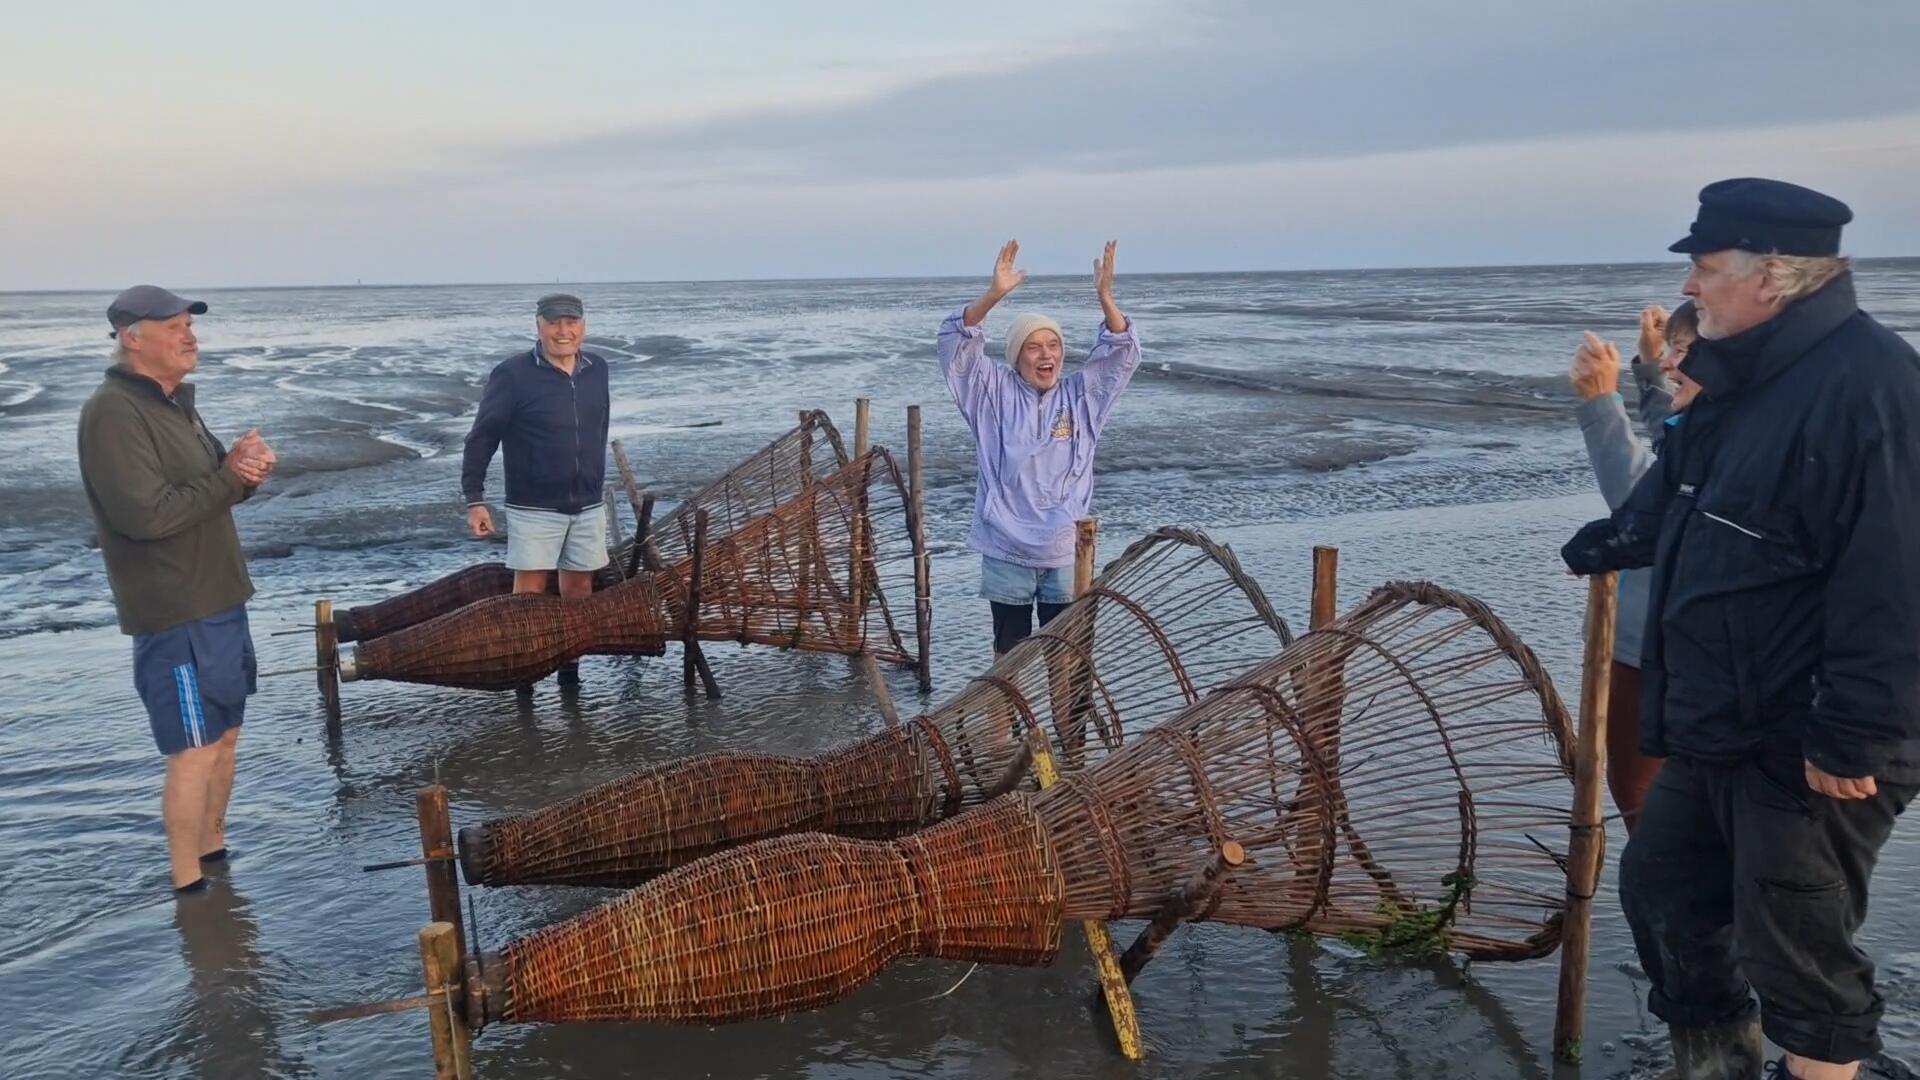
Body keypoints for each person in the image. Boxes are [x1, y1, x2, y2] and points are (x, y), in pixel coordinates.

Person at [1563, 179, 1920, 1080]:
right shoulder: (1739, 376)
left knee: (1796, 940)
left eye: (1705, 267)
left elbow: (1898, 580)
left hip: (1814, 737)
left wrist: (1850, 737)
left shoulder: (1872, 389)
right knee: (1666, 896)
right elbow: (1678, 492)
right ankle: (1715, 1065)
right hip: (1720, 717)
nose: (1689, 286)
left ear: (1772, 277)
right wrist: (1614, 540)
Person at [77, 286, 277, 895]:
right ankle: (188, 887)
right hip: (173, 609)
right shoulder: (112, 412)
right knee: (192, 747)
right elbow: (146, 516)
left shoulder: (173, 401)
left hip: (220, 596)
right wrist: (226, 478)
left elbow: (212, 488)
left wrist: (243, 472)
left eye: (189, 325)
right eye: (173, 327)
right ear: (131, 337)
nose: (189, 337)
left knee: (225, 735)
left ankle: (214, 852)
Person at [937, 241, 1141, 656]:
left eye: (1054, 346)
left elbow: (1120, 355)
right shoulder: (990, 393)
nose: (1046, 354)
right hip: (1006, 547)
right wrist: (993, 295)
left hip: (1065, 550)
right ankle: (1013, 724)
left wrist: (1105, 298)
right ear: (1016, 356)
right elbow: (955, 343)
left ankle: (1066, 725)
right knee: (1009, 656)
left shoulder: (1083, 397)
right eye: (1034, 346)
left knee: (1066, 655)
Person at [1567, 301, 1700, 831]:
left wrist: (1600, 402)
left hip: (1655, 644)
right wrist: (1647, 368)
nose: (1673, 362)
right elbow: (1677, 442)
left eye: (1684, 351)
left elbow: (1642, 502)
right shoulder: (1733, 422)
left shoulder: (1742, 430)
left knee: (1644, 802)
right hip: (1667, 641)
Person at [461, 293, 611, 687]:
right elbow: (481, 438)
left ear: (584, 325)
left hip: (588, 503)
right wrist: (475, 500)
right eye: (554, 323)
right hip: (533, 505)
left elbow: (599, 428)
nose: (564, 331)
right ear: (539, 326)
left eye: (571, 322)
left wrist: (595, 476)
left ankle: (569, 667)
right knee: (529, 591)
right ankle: (523, 673)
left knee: (579, 587)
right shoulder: (512, 375)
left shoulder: (598, 369)